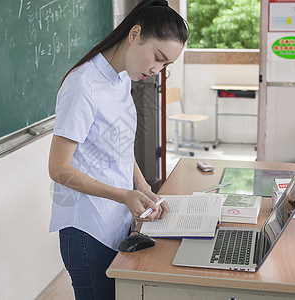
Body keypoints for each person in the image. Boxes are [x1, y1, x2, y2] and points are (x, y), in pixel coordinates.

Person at [48, 0, 189, 299]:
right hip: (86, 228)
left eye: (166, 65)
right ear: (135, 34)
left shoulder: (122, 77)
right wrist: (123, 195)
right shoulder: (83, 85)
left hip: (115, 220)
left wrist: (142, 187)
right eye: (157, 57)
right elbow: (59, 169)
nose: (157, 69)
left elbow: (120, 146)